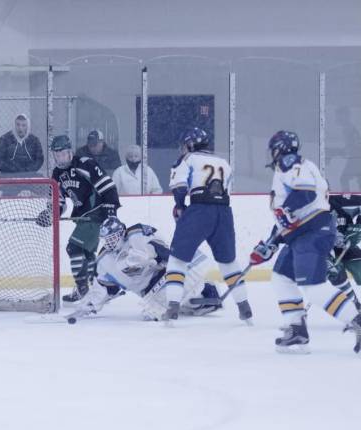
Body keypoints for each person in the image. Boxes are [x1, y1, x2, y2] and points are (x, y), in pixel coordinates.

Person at [249, 131, 361, 354]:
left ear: (280, 148)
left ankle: (356, 320)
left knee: (314, 287)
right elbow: (288, 218)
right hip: (302, 234)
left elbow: (306, 193)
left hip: (312, 232)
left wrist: (285, 210)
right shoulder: (296, 167)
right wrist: (270, 242)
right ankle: (297, 331)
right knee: (281, 278)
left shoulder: (288, 163)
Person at [161, 127, 252, 324]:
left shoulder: (188, 159)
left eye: (184, 145)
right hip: (224, 213)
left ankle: (173, 306)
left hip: (199, 211)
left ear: (190, 144)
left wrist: (179, 205)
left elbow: (179, 186)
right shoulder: (224, 162)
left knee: (177, 259)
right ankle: (244, 307)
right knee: (229, 262)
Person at [73, 216, 221, 321]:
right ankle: (199, 299)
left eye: (113, 237)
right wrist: (92, 304)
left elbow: (163, 251)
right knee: (158, 312)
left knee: (161, 309)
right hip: (149, 292)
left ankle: (205, 291)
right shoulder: (105, 260)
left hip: (163, 276)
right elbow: (106, 288)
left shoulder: (136, 235)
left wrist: (174, 267)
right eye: (107, 239)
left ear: (122, 232)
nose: (110, 243)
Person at [36, 135, 120, 302]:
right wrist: (50, 214)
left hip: (97, 213)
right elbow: (58, 202)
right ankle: (92, 289)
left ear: (70, 152)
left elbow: (108, 186)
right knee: (87, 255)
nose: (60, 159)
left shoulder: (85, 163)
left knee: (73, 248)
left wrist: (111, 212)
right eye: (56, 155)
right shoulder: (57, 173)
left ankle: (83, 289)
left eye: (63, 154)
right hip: (83, 217)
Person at [0, 113, 44, 196]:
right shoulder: (4, 139)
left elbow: (39, 159)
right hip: (9, 176)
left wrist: (27, 170)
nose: (20, 128)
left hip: (28, 176)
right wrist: (11, 168)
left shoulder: (34, 141)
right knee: (9, 194)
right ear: (14, 125)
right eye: (18, 124)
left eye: (23, 125)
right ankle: (4, 192)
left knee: (41, 184)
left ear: (28, 126)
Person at [326, 193, 361, 311]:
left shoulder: (343, 201)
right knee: (336, 275)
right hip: (323, 250)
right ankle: (356, 309)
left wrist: (358, 227)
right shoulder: (306, 208)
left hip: (347, 245)